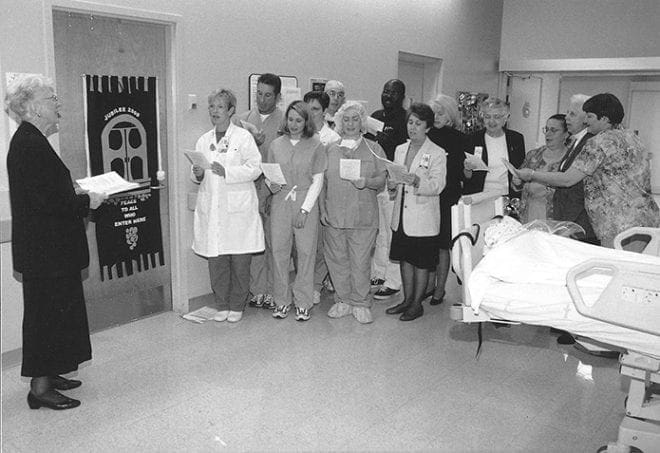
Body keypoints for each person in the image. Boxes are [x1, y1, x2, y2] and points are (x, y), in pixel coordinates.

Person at [5, 75, 106, 410]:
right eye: (52, 98)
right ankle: (40, 387)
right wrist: (86, 201)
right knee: (45, 318)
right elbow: (48, 203)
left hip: (50, 251)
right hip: (46, 253)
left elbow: (47, 193)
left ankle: (51, 371)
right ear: (34, 107)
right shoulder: (28, 143)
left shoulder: (31, 139)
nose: (57, 103)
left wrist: (75, 194)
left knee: (58, 315)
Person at [506, 93, 660, 249]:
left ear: (604, 119)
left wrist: (531, 174)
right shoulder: (633, 138)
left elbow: (568, 179)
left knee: (616, 269)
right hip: (646, 219)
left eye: (590, 117)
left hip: (617, 224)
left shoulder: (599, 142)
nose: (586, 121)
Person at [192, 89, 264, 323]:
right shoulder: (203, 140)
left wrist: (229, 172)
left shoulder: (243, 137)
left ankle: (237, 304)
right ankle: (221, 303)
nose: (214, 111)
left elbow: (255, 168)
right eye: (212, 106)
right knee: (217, 261)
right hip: (213, 208)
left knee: (240, 262)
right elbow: (199, 175)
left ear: (231, 110)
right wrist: (198, 173)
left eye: (220, 107)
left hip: (238, 208)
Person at [321, 101, 387, 324]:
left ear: (362, 122)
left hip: (363, 217)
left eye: (355, 119)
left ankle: (360, 302)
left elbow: (381, 180)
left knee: (360, 262)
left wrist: (366, 181)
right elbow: (322, 183)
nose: (350, 123)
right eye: (346, 119)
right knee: (337, 260)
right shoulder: (330, 149)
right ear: (339, 122)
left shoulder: (374, 149)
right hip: (334, 216)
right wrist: (322, 210)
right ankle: (343, 300)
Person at [265, 101, 327, 321]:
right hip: (280, 199)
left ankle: (303, 301)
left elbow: (317, 181)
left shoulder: (316, 144)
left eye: (299, 120)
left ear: (306, 121)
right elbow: (270, 174)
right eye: (290, 119)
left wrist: (305, 210)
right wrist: (270, 185)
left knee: (306, 253)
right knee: (279, 252)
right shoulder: (276, 145)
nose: (293, 124)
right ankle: (281, 301)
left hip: (304, 199)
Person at [386, 103, 447, 321]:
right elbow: (394, 177)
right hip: (401, 215)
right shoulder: (400, 149)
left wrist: (417, 180)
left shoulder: (437, 153)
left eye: (418, 123)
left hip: (423, 217)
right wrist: (392, 185)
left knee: (421, 262)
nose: (412, 127)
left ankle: (416, 304)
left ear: (428, 127)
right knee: (405, 259)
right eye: (410, 122)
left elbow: (438, 185)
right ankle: (406, 299)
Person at [233, 73, 284, 310]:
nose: (262, 100)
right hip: (248, 189)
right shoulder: (242, 121)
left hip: (275, 189)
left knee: (275, 242)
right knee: (254, 241)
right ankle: (258, 290)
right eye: (259, 94)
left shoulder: (285, 122)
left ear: (277, 96)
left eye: (267, 95)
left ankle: (274, 290)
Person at [425, 94, 468, 305]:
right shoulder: (426, 135)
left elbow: (462, 172)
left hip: (448, 196)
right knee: (427, 242)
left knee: (443, 244)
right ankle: (427, 285)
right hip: (427, 195)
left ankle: (440, 289)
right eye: (433, 113)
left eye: (440, 113)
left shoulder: (459, 139)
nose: (436, 117)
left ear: (450, 114)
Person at [368, 80, 408, 301]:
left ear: (401, 96)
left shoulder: (405, 119)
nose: (388, 95)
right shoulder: (375, 116)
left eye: (393, 93)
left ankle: (393, 280)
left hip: (394, 182)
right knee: (379, 232)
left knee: (392, 232)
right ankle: (378, 273)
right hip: (377, 179)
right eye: (385, 91)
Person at [303, 90, 339, 304]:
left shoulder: (332, 139)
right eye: (307, 108)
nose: (310, 113)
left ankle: (316, 284)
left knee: (322, 246)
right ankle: (307, 283)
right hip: (303, 196)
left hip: (324, 197)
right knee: (305, 247)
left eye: (315, 109)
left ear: (325, 112)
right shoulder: (300, 134)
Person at [553, 94, 598, 244]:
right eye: (567, 112)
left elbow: (574, 185)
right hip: (567, 219)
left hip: (580, 225)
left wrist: (533, 174)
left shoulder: (590, 143)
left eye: (572, 114)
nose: (566, 118)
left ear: (586, 118)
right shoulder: (577, 141)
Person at [463, 98, 525, 199]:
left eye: (497, 117)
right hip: (478, 195)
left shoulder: (516, 139)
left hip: (506, 196)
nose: (491, 121)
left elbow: (521, 169)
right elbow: (466, 176)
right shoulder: (472, 139)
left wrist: (518, 181)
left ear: (506, 118)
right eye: (487, 116)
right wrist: (467, 169)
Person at [513, 114, 568, 223]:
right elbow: (517, 186)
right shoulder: (533, 155)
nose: (548, 134)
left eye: (554, 130)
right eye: (546, 129)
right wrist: (517, 182)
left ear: (565, 134)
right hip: (528, 214)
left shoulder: (570, 160)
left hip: (554, 219)